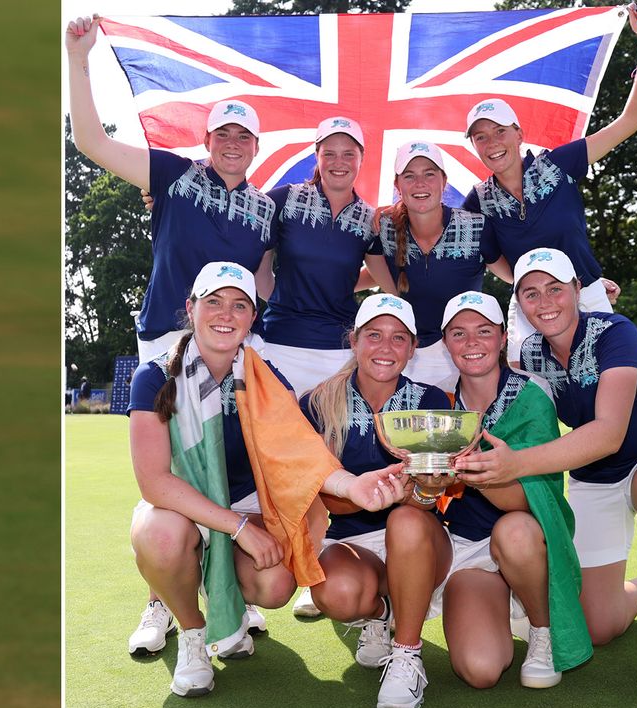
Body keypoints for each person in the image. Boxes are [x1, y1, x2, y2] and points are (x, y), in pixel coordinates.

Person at [67, 14, 278, 647]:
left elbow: (267, 283)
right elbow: (92, 145)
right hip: (168, 336)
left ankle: (231, 587)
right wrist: (77, 61)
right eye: (225, 133)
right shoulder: (175, 176)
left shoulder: (266, 208)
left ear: (256, 146)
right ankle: (163, 597)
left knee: (233, 467)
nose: (234, 143)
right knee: (177, 474)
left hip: (238, 341)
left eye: (245, 135)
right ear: (208, 138)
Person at [128, 262, 405, 697]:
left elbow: (299, 455)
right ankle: (192, 633)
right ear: (191, 308)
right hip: (180, 510)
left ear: (252, 317)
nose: (226, 314)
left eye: (239, 305)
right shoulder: (155, 376)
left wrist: (352, 486)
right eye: (213, 302)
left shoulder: (268, 378)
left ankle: (231, 602)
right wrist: (238, 528)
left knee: (276, 585)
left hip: (247, 504)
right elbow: (154, 484)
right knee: (161, 537)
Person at [455, 248, 637, 700]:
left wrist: (517, 465)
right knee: (599, 625)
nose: (544, 301)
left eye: (555, 288)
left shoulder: (614, 331)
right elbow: (483, 365)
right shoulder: (530, 352)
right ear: (521, 305)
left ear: (576, 292)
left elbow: (609, 434)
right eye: (531, 293)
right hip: (593, 480)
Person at [373, 291, 590, 708]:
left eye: (483, 331)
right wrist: (429, 485)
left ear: (503, 338)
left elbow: (530, 502)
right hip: (463, 550)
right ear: (446, 343)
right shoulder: (436, 403)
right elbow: (424, 502)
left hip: (518, 544)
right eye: (459, 333)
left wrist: (466, 471)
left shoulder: (532, 396)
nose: (472, 342)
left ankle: (541, 630)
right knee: (481, 670)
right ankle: (420, 640)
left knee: (516, 531)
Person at [461, 2, 637, 361]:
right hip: (530, 307)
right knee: (527, 395)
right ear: (473, 144)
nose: (492, 143)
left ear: (518, 134)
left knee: (607, 387)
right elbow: (494, 260)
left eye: (500, 132)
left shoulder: (559, 164)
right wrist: (533, 285)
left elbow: (633, 120)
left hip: (589, 295)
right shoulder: (477, 201)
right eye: (480, 137)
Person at [297, 294, 450, 680]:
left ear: (413, 348)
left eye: (399, 338)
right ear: (355, 341)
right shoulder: (317, 403)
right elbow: (317, 494)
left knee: (406, 523)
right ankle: (382, 615)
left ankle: (407, 654)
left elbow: (429, 501)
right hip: (351, 541)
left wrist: (419, 493)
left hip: (419, 537)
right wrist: (368, 494)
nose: (386, 347)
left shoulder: (429, 401)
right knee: (336, 594)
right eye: (374, 335)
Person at [259, 116, 397, 395]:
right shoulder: (284, 200)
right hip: (280, 343)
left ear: (361, 158)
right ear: (316, 155)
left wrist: (345, 283)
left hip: (340, 351)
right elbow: (257, 264)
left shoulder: (369, 219)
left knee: (332, 437)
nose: (339, 162)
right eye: (329, 154)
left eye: (349, 154)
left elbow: (390, 284)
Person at [374, 141, 511, 393]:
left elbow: (513, 275)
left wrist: (578, 282)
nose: (420, 183)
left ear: (443, 180)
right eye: (410, 176)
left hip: (464, 353)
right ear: (397, 185)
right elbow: (372, 271)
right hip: (409, 355)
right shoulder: (384, 227)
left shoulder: (476, 226)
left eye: (429, 174)